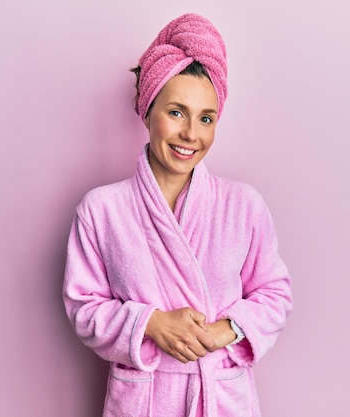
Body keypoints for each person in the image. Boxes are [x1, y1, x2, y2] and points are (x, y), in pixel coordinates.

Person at [63, 13, 292, 417]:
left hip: (221, 397)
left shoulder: (244, 205)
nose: (191, 134)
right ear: (147, 109)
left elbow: (275, 295)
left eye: (206, 118)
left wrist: (224, 332)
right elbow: (83, 307)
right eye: (176, 112)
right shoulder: (101, 211)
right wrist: (150, 324)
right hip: (143, 400)